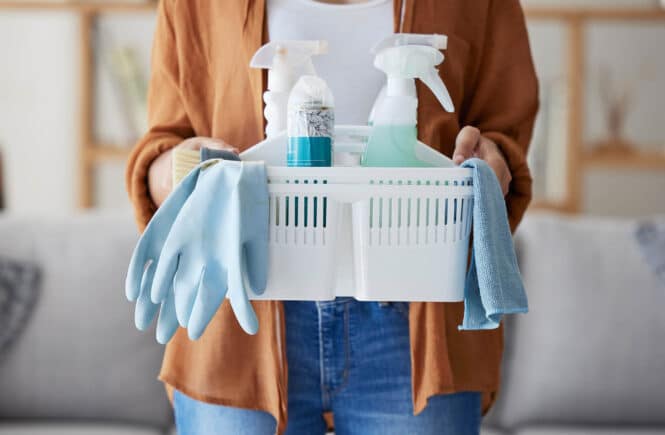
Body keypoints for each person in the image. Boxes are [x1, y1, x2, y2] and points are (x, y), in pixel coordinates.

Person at [126, 0, 538, 433]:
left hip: (418, 317)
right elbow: (164, 144)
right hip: (240, 321)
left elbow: (504, 134)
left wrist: (488, 165)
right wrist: (184, 172)